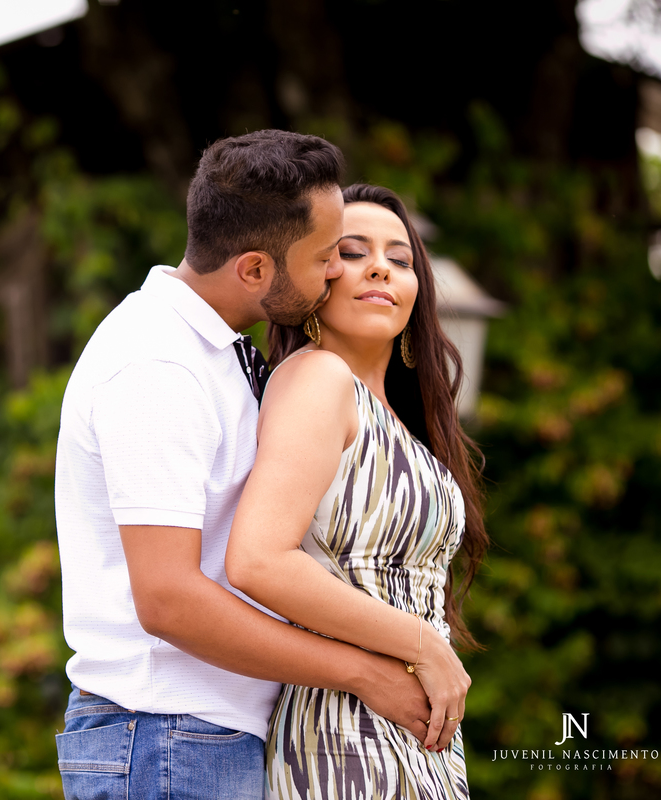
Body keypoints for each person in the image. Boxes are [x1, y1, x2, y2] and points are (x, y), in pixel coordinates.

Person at [53, 132, 433, 800]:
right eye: (325, 256)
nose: (337, 272)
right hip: (165, 737)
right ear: (255, 269)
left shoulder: (214, 352)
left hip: (197, 738)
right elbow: (168, 600)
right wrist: (363, 672)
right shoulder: (157, 364)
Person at [224, 183, 488, 799]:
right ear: (316, 276)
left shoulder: (393, 417)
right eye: (352, 251)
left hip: (408, 734)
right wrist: (423, 645)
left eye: (400, 259)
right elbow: (259, 560)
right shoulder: (319, 378)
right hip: (342, 735)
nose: (380, 268)